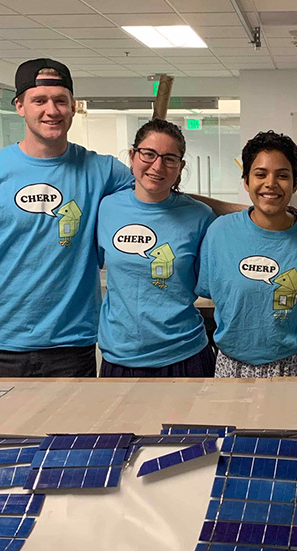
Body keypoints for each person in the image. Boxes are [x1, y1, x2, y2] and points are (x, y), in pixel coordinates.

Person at [0, 58, 133, 391]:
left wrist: (243, 210)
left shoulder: (100, 171)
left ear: (73, 107)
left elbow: (159, 192)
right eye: (39, 100)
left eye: (61, 100)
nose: (52, 110)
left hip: (72, 345)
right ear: (19, 106)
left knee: (72, 441)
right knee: (3, 442)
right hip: (2, 345)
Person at [196, 131, 297, 377]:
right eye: (260, 174)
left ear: (295, 183)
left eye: (282, 175)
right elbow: (214, 290)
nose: (270, 183)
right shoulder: (219, 233)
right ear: (246, 181)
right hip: (233, 365)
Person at [96, 119, 216, 377]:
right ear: (132, 156)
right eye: (149, 154)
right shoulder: (106, 209)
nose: (158, 166)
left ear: (180, 166)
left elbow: (217, 281)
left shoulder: (200, 217)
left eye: (170, 158)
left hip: (185, 353)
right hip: (121, 356)